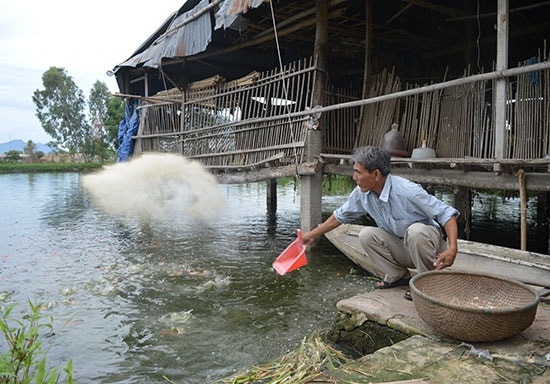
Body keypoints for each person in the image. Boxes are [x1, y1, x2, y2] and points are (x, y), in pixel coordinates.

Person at [301, 145, 459, 300]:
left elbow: (446, 213)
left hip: (430, 249)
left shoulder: (407, 191)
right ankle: (399, 276)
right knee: (366, 235)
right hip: (404, 247)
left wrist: (452, 248)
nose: (354, 177)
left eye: (358, 172)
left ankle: (426, 283)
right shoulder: (362, 193)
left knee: (416, 231)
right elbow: (339, 216)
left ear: (376, 174)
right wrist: (312, 235)